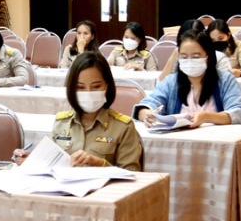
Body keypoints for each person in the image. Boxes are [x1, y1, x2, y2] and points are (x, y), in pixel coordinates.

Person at [12, 51, 143, 171]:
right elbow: (54, 163)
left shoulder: (123, 127)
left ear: (107, 86)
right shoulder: (62, 123)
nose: (88, 93)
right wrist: (32, 160)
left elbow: (134, 176)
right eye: (80, 87)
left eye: (96, 86)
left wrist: (100, 164)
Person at [134, 30, 241, 127]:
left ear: (208, 56)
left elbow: (240, 113)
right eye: (184, 57)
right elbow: (148, 104)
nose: (189, 61)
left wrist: (207, 117)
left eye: (196, 57)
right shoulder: (171, 82)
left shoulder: (225, 80)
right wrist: (145, 114)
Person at [157, 19, 232, 82]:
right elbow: (162, 82)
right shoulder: (178, 57)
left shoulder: (219, 57)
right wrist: (173, 56)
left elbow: (227, 84)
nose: (190, 43)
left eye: (196, 57)